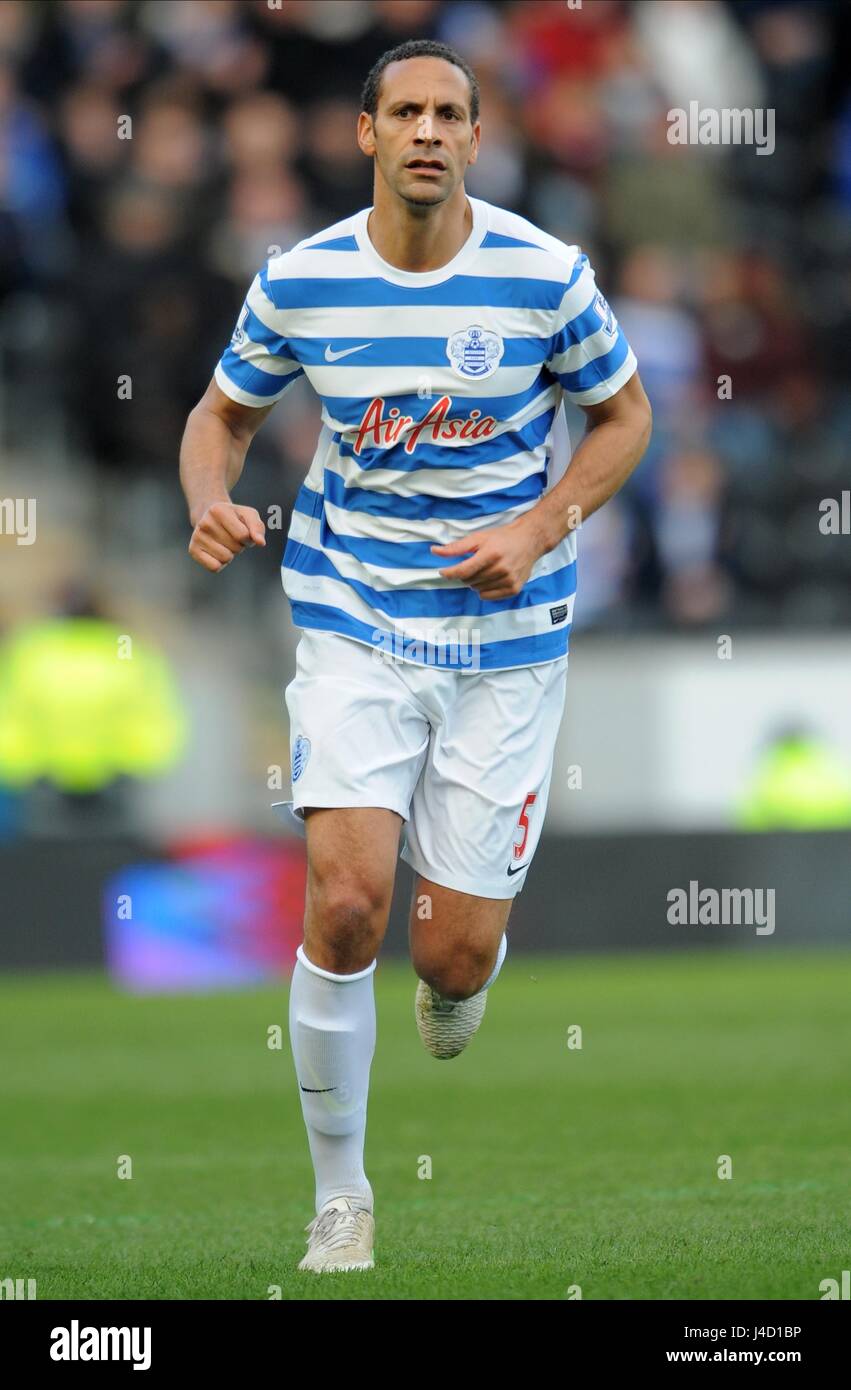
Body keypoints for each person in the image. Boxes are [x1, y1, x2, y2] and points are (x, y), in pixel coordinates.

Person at [179, 39, 652, 1274]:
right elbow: (221, 413)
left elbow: (625, 416)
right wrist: (207, 498)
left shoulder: (544, 277)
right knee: (343, 903)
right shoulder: (301, 280)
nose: (429, 130)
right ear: (365, 133)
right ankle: (342, 1199)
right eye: (407, 112)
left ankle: (462, 974)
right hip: (353, 621)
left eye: (451, 112)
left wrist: (540, 522)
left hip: (506, 641)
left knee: (448, 949)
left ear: (477, 139)